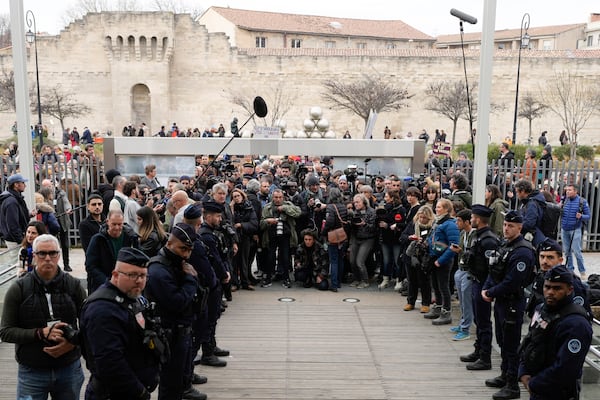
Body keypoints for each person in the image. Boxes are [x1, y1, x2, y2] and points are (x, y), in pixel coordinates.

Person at [0, 234, 86, 400]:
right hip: (32, 370)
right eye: (42, 254)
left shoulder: (73, 285)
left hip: (68, 367)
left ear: (59, 255)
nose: (48, 258)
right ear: (34, 256)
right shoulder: (19, 288)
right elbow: (5, 331)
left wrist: (72, 343)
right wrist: (40, 333)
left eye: (52, 253)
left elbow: (90, 326)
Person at [80, 247, 162, 400]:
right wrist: (139, 392)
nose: (139, 281)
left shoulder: (131, 296)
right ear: (115, 275)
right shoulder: (102, 309)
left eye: (143, 276)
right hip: (114, 393)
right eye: (132, 275)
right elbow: (109, 363)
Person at [145, 223, 206, 400]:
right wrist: (189, 279)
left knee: (178, 381)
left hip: (183, 330)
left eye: (189, 250)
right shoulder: (158, 269)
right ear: (170, 244)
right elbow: (177, 301)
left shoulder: (177, 263)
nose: (186, 254)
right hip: (169, 334)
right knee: (170, 383)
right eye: (182, 249)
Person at [481, 211, 536, 400]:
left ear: (520, 228)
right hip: (501, 301)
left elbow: (513, 281)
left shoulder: (523, 251)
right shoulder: (505, 245)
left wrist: (490, 292)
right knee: (502, 340)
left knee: (511, 345)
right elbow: (493, 269)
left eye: (511, 226)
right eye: (505, 225)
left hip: (513, 301)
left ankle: (513, 385)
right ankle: (505, 375)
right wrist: (487, 288)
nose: (506, 228)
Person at [518, 265, 592, 400]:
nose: (550, 292)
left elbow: (566, 368)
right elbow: (530, 341)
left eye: (557, 288)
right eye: (547, 287)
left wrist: (534, 384)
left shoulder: (576, 324)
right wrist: (523, 372)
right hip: (537, 387)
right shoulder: (541, 309)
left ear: (569, 290)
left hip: (558, 392)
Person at [461, 205, 500, 371]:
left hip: (483, 284)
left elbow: (492, 267)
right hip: (477, 280)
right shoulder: (479, 236)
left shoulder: (488, 240)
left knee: (483, 321)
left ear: (478, 219)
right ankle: (478, 350)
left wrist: (487, 288)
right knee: (478, 320)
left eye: (472, 217)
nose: (471, 220)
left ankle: (485, 357)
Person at [423, 198, 459, 325]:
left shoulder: (450, 224)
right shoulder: (438, 222)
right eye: (436, 207)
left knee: (443, 286)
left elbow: (454, 245)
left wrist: (441, 260)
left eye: (439, 207)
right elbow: (433, 238)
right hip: (434, 258)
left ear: (446, 209)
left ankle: (446, 312)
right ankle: (438, 307)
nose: (436, 209)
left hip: (443, 260)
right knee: (435, 285)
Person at [85, 209, 139, 293]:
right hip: (102, 286)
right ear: (107, 222)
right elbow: (90, 265)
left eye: (119, 224)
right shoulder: (98, 239)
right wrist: (108, 282)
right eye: (114, 224)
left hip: (125, 285)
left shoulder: (131, 238)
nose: (117, 228)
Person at [259, 188, 301, 288]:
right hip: (271, 236)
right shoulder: (267, 207)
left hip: (286, 236)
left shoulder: (288, 205)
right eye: (276, 197)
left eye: (280, 197)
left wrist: (285, 208)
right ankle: (268, 277)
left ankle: (286, 278)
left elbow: (298, 213)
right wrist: (268, 221)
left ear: (283, 197)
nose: (278, 199)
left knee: (285, 257)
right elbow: (261, 224)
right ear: (272, 198)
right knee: (270, 257)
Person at [449, 209, 476, 341]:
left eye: (459, 220)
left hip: (469, 270)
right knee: (462, 299)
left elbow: (472, 254)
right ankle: (462, 323)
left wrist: (460, 251)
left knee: (467, 300)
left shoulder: (474, 235)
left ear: (467, 221)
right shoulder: (462, 234)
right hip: (461, 268)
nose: (457, 223)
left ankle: (466, 329)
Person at [403, 205, 434, 312]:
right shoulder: (413, 225)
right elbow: (402, 237)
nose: (422, 219)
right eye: (420, 217)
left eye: (424, 218)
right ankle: (410, 302)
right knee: (412, 280)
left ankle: (426, 303)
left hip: (424, 257)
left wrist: (425, 242)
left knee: (424, 281)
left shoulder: (432, 227)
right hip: (411, 256)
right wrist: (409, 237)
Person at [230, 188, 259, 290]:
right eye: (234, 197)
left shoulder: (249, 208)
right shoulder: (231, 208)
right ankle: (234, 283)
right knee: (234, 261)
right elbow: (230, 222)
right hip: (233, 238)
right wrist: (232, 209)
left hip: (245, 237)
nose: (237, 198)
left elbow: (254, 224)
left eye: (238, 196)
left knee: (244, 260)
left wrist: (241, 225)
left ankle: (245, 282)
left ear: (242, 196)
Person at [560, 184, 590, 280]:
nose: (567, 192)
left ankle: (582, 271)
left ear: (575, 191)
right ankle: (570, 270)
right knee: (567, 252)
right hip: (564, 229)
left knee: (577, 251)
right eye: (567, 190)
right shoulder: (564, 200)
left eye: (570, 190)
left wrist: (581, 216)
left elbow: (588, 216)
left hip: (575, 229)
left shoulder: (582, 201)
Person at [377, 190, 406, 289]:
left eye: (386, 196)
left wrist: (389, 225)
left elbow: (403, 224)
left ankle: (399, 280)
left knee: (397, 260)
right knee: (386, 260)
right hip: (385, 238)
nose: (385, 199)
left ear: (392, 198)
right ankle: (385, 279)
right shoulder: (384, 208)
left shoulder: (400, 209)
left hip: (396, 238)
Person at [322, 187, 348, 292]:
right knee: (340, 259)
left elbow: (330, 222)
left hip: (333, 235)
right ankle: (339, 281)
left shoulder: (330, 207)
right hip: (342, 235)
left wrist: (323, 232)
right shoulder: (344, 207)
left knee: (333, 261)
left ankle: (334, 284)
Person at [348, 193, 377, 289]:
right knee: (352, 261)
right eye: (354, 202)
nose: (356, 204)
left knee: (359, 261)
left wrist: (364, 224)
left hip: (368, 239)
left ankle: (365, 280)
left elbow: (373, 228)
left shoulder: (371, 212)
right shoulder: (354, 212)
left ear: (364, 202)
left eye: (358, 202)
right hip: (356, 238)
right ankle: (357, 279)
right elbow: (351, 229)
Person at [0, 174, 31, 252]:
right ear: (16, 185)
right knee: (17, 262)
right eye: (23, 183)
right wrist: (21, 241)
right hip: (15, 240)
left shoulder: (14, 199)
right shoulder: (11, 202)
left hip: (14, 239)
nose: (25, 185)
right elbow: (12, 225)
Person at [515, 179, 546, 247]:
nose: (516, 194)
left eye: (517, 192)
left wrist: (516, 227)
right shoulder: (528, 201)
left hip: (532, 237)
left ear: (523, 191)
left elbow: (529, 223)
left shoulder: (531, 203)